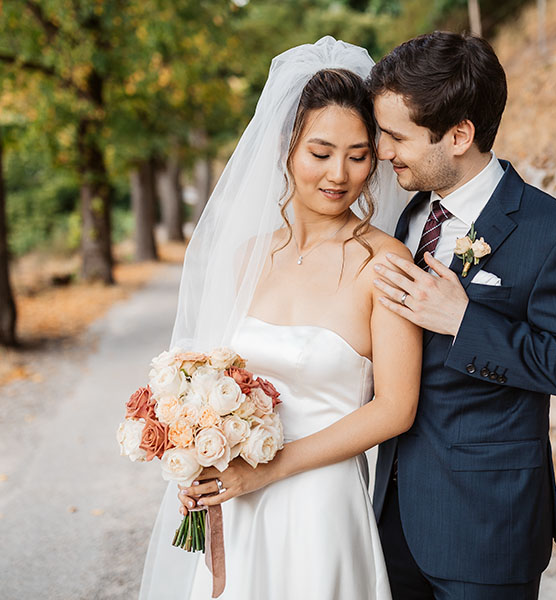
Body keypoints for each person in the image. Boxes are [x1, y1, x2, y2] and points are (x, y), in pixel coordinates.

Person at [139, 37, 419, 600]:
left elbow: (395, 408)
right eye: (320, 152)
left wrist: (269, 469)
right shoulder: (246, 257)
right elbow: (207, 377)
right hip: (236, 498)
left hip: (320, 508)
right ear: (287, 149)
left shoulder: (385, 262)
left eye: (358, 154)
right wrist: (197, 459)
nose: (339, 173)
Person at [368, 32, 556, 600]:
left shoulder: (554, 234)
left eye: (396, 136)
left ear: (458, 136)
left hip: (485, 526)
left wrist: (464, 322)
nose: (383, 152)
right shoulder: (405, 217)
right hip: (388, 515)